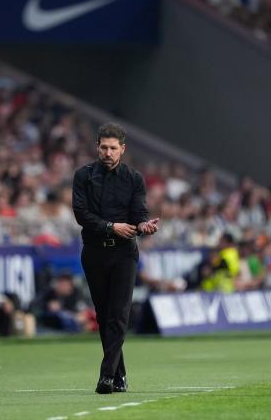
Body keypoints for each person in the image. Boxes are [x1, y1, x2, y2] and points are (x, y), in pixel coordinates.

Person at [72, 122, 159, 394]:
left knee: (119, 314)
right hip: (95, 251)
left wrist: (143, 226)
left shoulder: (134, 179)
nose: (108, 152)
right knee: (104, 314)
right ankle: (120, 374)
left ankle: (106, 376)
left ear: (122, 149)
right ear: (97, 147)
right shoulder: (83, 176)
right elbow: (81, 215)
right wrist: (111, 227)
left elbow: (138, 214)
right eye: (104, 147)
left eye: (113, 148)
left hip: (124, 253)